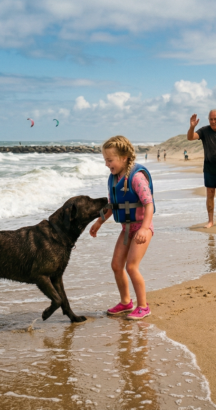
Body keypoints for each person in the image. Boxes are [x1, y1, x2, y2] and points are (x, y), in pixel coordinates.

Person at [89, 135, 154, 320]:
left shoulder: (137, 178)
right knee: (116, 265)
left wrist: (144, 228)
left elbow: (148, 204)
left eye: (109, 160)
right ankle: (126, 303)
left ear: (124, 157)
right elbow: (112, 205)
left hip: (142, 228)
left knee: (131, 266)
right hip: (126, 229)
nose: (106, 164)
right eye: (105, 160)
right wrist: (99, 221)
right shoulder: (114, 178)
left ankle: (143, 306)